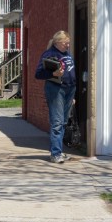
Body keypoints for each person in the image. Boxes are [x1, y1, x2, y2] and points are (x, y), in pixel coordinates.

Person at [34, 30, 76, 163]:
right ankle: (55, 154)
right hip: (56, 90)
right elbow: (38, 74)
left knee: (63, 122)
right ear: (58, 42)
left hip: (69, 90)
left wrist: (72, 96)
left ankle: (59, 151)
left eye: (68, 43)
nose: (68, 45)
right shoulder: (50, 54)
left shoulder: (66, 54)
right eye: (66, 43)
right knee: (57, 123)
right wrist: (53, 74)